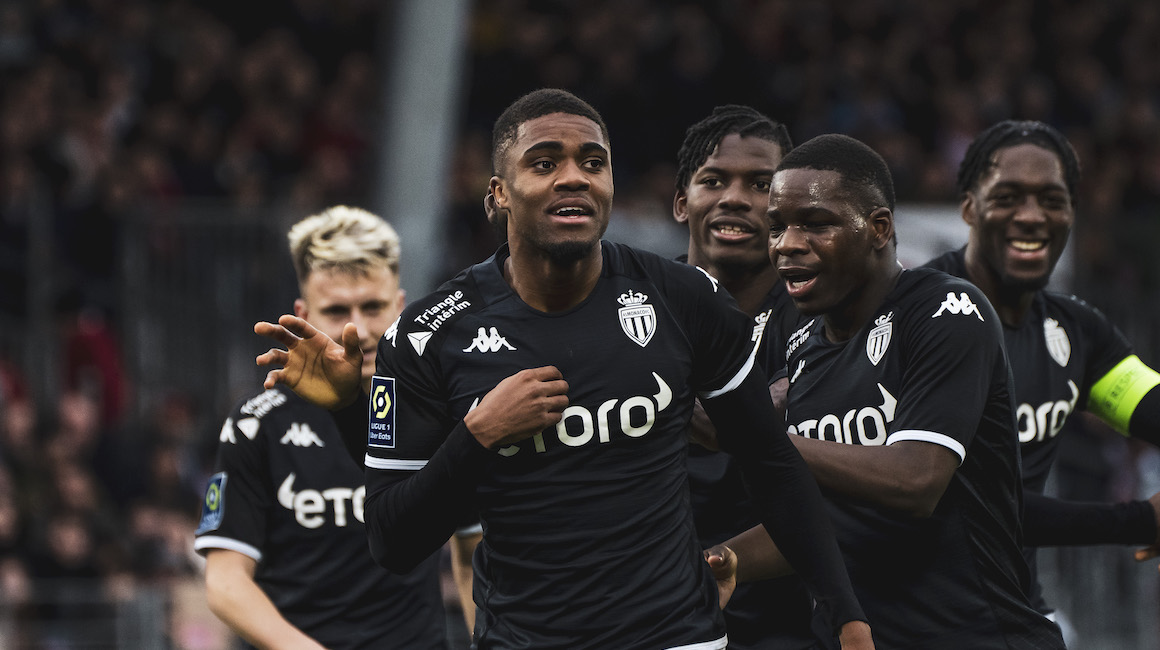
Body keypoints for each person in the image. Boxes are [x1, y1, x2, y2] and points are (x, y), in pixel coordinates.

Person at [254, 89, 874, 650]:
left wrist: (847, 615)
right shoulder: (427, 335)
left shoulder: (684, 299)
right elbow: (393, 542)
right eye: (545, 163)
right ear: (499, 193)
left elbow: (772, 465)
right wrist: (477, 435)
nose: (574, 177)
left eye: (593, 163)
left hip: (677, 637)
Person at [709, 133, 1067, 648]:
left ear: (878, 228)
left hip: (977, 636)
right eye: (778, 226)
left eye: (816, 223)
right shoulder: (803, 345)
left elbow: (915, 482)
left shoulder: (946, 311)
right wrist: (725, 561)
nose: (786, 244)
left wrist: (750, 432)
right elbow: (831, 523)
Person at [194, 206, 479, 649]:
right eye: (335, 310)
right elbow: (225, 582)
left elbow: (472, 557)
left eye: (373, 307)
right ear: (302, 314)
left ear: (400, 307)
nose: (357, 330)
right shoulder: (258, 423)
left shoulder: (439, 413)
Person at [922, 120, 1160, 612]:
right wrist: (1140, 520)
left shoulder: (1076, 332)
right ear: (969, 207)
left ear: (1071, 211)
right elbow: (968, 504)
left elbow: (1149, 404)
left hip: (1014, 615)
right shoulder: (917, 315)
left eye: (1052, 199)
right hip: (905, 622)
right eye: (1008, 197)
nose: (1032, 216)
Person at [672, 104, 818, 649]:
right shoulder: (630, 308)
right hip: (640, 610)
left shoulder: (820, 321)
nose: (734, 198)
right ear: (682, 202)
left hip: (779, 623)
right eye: (714, 180)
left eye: (760, 185)